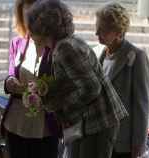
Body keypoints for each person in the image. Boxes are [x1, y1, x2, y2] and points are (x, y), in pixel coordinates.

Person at [25, 0, 129, 158]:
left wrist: (59, 106)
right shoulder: (67, 43)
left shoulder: (64, 48)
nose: (29, 34)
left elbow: (91, 88)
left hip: (98, 122)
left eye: (32, 28)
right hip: (95, 121)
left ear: (44, 28)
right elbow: (72, 84)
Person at [2, 0, 60, 158]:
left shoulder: (58, 46)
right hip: (15, 124)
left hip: (45, 127)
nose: (30, 21)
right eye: (26, 15)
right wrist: (9, 82)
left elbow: (65, 87)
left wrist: (44, 92)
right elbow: (11, 74)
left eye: (34, 16)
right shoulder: (17, 42)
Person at [95, 3, 149, 158]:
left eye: (103, 30)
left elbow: (142, 104)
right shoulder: (101, 54)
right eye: (97, 27)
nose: (96, 33)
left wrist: (139, 143)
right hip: (101, 137)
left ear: (119, 32)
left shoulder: (136, 56)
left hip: (123, 142)